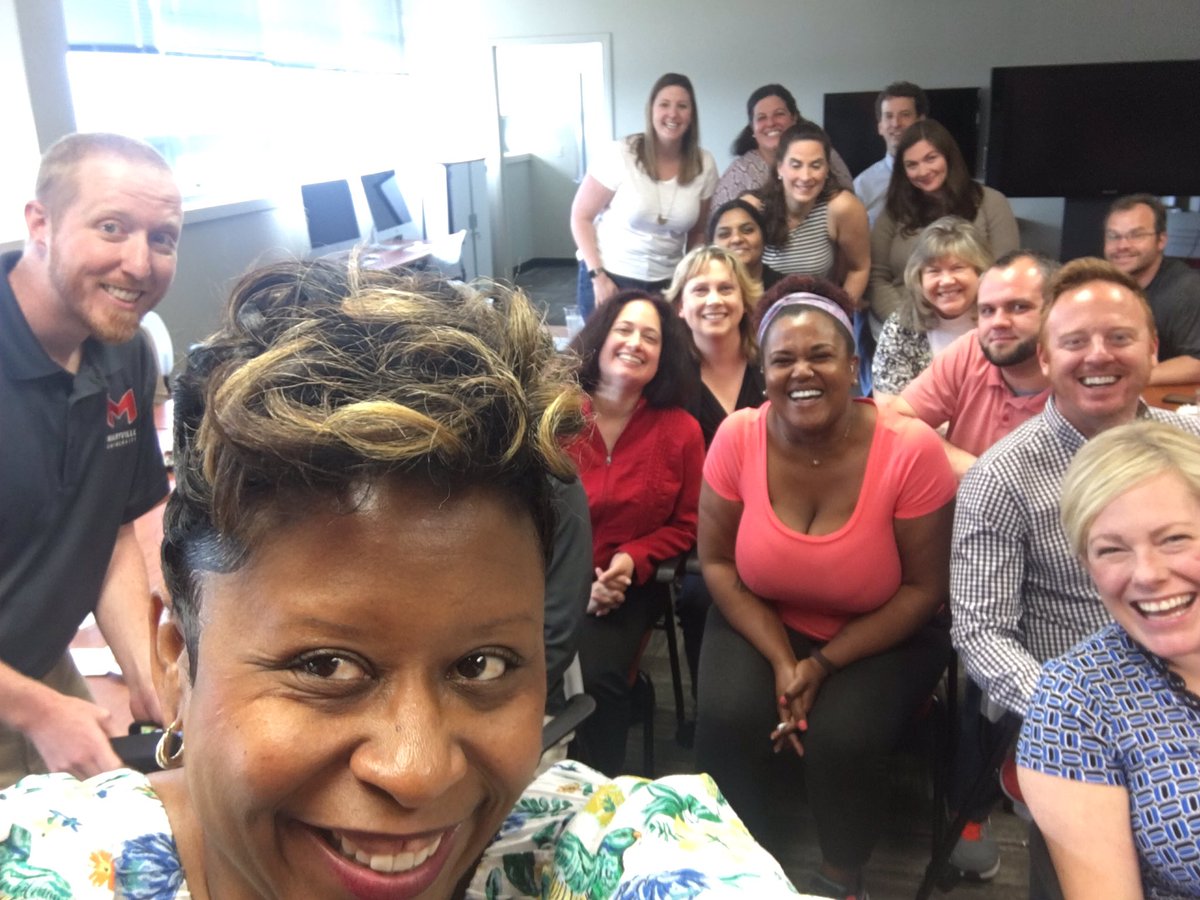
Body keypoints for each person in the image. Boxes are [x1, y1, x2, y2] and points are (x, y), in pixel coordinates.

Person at [0, 260, 800, 898]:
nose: (418, 772)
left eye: (482, 664)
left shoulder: (602, 855)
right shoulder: (49, 864)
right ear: (178, 660)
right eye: (325, 666)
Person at [694, 276, 957, 900]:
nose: (801, 372)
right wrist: (784, 661)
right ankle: (741, 862)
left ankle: (842, 875)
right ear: (764, 373)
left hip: (885, 627)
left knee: (843, 739)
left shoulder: (911, 450)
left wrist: (822, 664)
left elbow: (924, 590)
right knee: (726, 718)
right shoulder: (738, 437)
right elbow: (718, 564)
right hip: (763, 613)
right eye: (783, 359)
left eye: (821, 355)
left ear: (854, 365)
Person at [951, 257, 1200, 895]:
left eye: (1118, 337)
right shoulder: (1001, 477)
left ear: (1152, 347)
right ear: (1044, 356)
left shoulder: (1191, 442)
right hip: (1073, 714)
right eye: (1075, 341)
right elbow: (981, 633)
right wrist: (1075, 712)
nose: (1098, 356)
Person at [0, 132, 181, 788]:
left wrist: (147, 673)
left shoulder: (124, 351)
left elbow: (107, 532)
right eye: (112, 228)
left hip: (37, 668)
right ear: (40, 224)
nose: (139, 263)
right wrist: (36, 711)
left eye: (162, 238)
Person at [1018, 420, 1200, 899]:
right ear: (1086, 566)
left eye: (1174, 539)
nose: (1148, 574)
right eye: (1112, 550)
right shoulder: (1076, 702)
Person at [566, 290, 705, 775]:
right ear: (600, 338)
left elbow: (688, 524)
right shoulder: (553, 414)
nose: (635, 343)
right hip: (546, 576)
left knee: (595, 678)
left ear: (664, 356)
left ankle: (599, 794)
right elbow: (522, 514)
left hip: (626, 586)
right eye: (624, 330)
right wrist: (574, 588)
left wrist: (632, 558)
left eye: (651, 337)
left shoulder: (682, 431)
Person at [665, 245, 765, 695]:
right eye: (700, 290)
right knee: (699, 598)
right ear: (680, 306)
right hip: (704, 527)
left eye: (726, 288)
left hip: (779, 512)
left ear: (744, 299)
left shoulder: (772, 361)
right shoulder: (667, 377)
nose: (714, 300)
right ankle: (710, 701)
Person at [892, 251, 1055, 479]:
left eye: (1019, 307)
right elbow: (896, 421)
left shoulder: (1080, 382)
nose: (998, 322)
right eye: (987, 310)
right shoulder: (971, 349)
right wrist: (981, 475)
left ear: (1056, 311)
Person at [569, 73, 717, 319]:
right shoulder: (620, 154)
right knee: (603, 344)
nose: (673, 114)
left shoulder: (705, 164)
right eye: (664, 105)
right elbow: (580, 217)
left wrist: (688, 281)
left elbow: (698, 233)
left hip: (667, 283)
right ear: (651, 111)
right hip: (610, 277)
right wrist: (598, 276)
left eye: (682, 106)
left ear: (692, 115)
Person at [867, 119, 1018, 340]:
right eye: (912, 165)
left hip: (977, 328)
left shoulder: (991, 202)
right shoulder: (892, 211)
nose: (923, 171)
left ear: (948, 157)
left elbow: (1005, 274)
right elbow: (877, 278)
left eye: (931, 158)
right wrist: (907, 325)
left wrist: (972, 324)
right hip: (909, 329)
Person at [872, 216, 992, 401]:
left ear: (980, 272)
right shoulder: (901, 326)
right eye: (934, 271)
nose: (946, 281)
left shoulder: (998, 321)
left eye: (957, 268)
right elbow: (888, 405)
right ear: (919, 278)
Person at [757, 122, 870, 304]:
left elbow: (859, 268)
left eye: (816, 165)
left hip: (818, 313)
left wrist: (838, 311)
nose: (806, 176)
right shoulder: (755, 208)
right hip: (763, 313)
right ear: (779, 167)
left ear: (827, 170)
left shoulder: (843, 207)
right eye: (796, 165)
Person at [1103, 193, 1200, 385]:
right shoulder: (1100, 286)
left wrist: (1121, 380)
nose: (1122, 245)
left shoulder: (1188, 290)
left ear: (1161, 240)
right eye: (1114, 236)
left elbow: (1197, 361)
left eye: (1136, 235)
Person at [712, 83, 853, 208]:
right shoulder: (737, 175)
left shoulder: (824, 154)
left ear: (794, 118)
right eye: (761, 117)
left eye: (779, 114)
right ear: (752, 128)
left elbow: (849, 203)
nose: (771, 123)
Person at [853, 81, 928, 227]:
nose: (896, 123)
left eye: (905, 115)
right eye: (888, 116)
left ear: (921, 122)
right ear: (880, 127)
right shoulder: (862, 185)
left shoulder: (937, 176)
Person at [708, 197, 783, 295]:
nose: (736, 239)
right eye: (725, 234)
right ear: (712, 245)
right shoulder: (703, 292)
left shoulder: (787, 289)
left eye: (747, 230)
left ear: (763, 236)